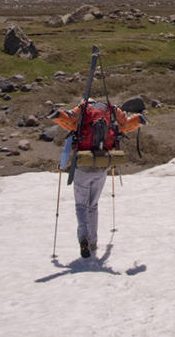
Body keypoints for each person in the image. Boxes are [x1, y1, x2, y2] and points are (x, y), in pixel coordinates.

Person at [49, 100, 145, 258]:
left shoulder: (82, 109)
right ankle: (93, 242)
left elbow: (69, 123)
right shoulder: (112, 109)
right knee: (93, 205)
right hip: (102, 165)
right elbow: (125, 125)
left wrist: (57, 115)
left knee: (81, 205)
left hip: (83, 165)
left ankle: (83, 238)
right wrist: (138, 120)